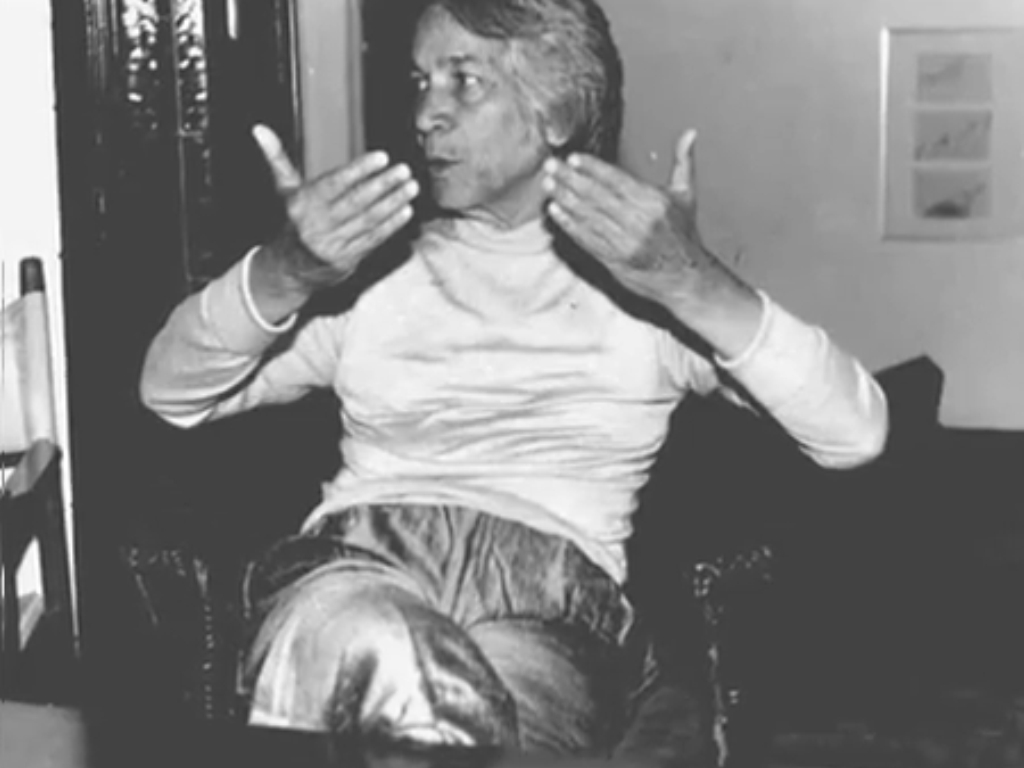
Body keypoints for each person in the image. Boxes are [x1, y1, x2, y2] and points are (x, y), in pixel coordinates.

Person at [140, 0, 888, 759]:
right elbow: (170, 393)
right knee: (370, 636)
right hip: (361, 566)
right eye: (419, 81)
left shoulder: (651, 296)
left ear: (558, 111)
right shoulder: (369, 278)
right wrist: (281, 273)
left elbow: (854, 433)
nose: (425, 114)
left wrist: (694, 283)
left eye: (464, 81)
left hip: (553, 616)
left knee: (479, 712)